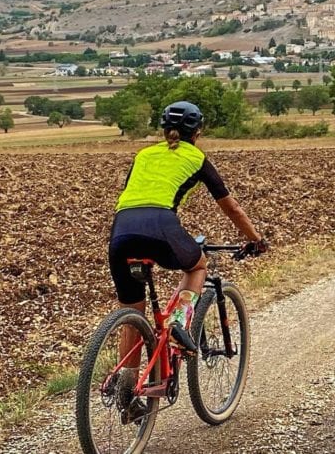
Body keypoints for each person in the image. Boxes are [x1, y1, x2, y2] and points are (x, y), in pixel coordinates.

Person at [109, 100, 267, 357]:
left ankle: (125, 387)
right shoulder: (196, 157)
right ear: (197, 133)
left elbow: (133, 194)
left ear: (163, 130)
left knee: (132, 318)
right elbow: (232, 208)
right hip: (160, 225)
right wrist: (256, 239)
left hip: (121, 230)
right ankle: (178, 323)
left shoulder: (143, 155)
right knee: (198, 265)